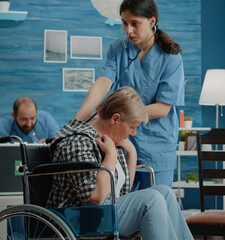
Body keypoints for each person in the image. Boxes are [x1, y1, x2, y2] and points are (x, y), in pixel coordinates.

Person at [47, 87, 193, 240]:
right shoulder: (78, 142)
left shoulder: (111, 140)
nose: (133, 133)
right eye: (132, 127)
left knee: (165, 193)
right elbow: (95, 199)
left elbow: (121, 193)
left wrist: (131, 154)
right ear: (115, 119)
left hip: (104, 212)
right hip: (78, 218)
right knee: (151, 200)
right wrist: (110, 155)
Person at [75, 0, 185, 189]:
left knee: (155, 205)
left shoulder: (171, 57)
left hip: (158, 145)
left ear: (151, 22)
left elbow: (162, 108)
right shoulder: (119, 48)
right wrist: (77, 122)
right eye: (124, 23)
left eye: (135, 23)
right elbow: (103, 84)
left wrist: (119, 115)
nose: (128, 30)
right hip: (122, 141)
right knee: (124, 204)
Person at [0, 96, 60, 162]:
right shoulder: (3, 124)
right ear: (14, 116)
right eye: (23, 119)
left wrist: (51, 147)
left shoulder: (46, 120)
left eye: (33, 118)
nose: (29, 124)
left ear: (36, 113)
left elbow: (60, 148)